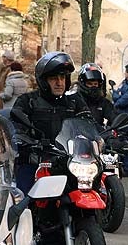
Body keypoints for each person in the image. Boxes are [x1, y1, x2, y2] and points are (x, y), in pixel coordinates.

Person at [11, 51, 89, 194]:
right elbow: (16, 125)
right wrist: (23, 139)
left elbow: (89, 123)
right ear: (43, 81)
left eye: (62, 78)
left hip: (68, 162)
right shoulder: (28, 101)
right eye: (53, 78)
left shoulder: (74, 101)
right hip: (37, 161)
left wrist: (105, 138)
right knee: (22, 199)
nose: (59, 83)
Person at [76, 62, 115, 128]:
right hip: (76, 135)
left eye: (95, 84)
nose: (93, 87)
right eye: (90, 84)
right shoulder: (74, 100)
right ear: (82, 83)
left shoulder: (103, 102)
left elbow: (113, 116)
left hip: (97, 135)